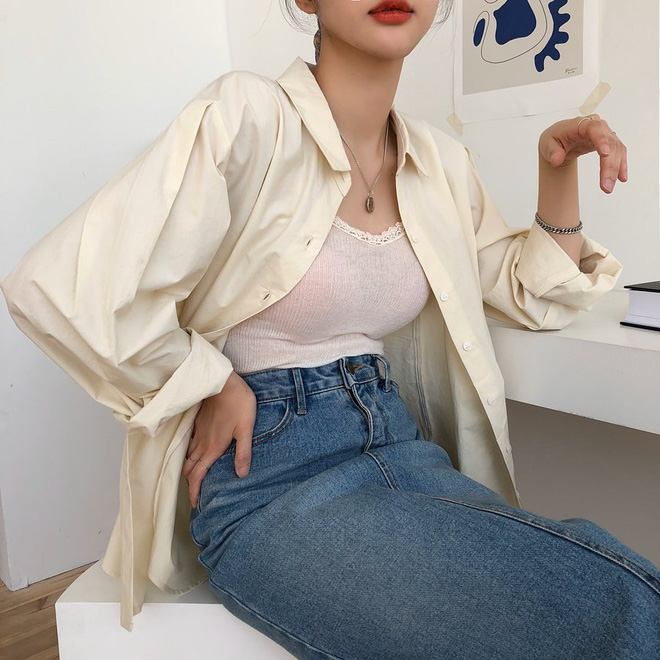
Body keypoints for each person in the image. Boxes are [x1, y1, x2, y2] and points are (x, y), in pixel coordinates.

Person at [1, 0, 658, 656]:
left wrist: (556, 172)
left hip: (403, 445)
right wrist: (208, 380)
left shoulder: (440, 163)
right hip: (270, 473)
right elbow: (61, 290)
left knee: (611, 593)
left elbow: (532, 293)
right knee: (612, 616)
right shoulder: (247, 116)